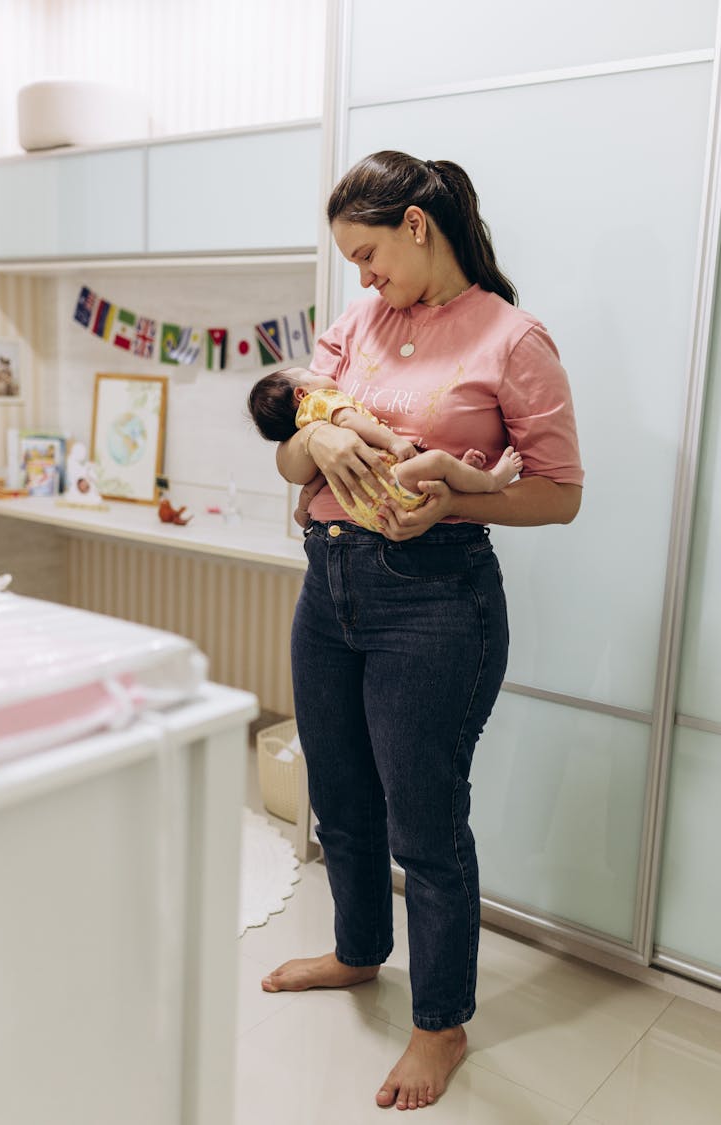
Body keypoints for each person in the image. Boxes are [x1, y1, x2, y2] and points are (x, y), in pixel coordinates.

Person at [261, 150, 583, 1112]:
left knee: (425, 824)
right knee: (341, 796)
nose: (360, 278)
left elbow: (560, 495)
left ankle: (442, 1022)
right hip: (330, 585)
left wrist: (451, 498)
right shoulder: (357, 322)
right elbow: (290, 450)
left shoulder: (512, 339)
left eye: (367, 254)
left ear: (414, 224)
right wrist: (308, 440)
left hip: (434, 600)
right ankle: (360, 952)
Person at [248, 366, 523, 532]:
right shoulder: (319, 403)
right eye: (312, 374)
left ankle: (461, 471)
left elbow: (313, 484)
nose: (321, 374)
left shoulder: (308, 428)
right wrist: (393, 441)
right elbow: (347, 418)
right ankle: (491, 479)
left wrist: (302, 511)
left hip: (370, 512)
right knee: (437, 460)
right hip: (392, 482)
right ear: (301, 394)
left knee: (435, 468)